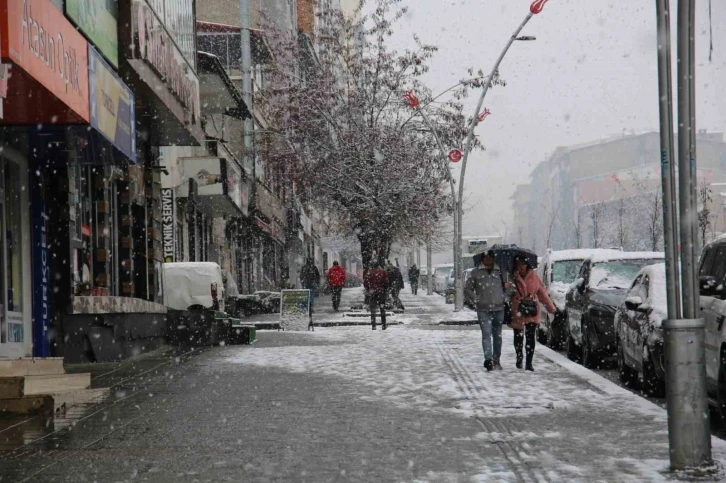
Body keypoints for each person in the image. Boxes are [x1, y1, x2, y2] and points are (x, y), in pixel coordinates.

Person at [464, 248, 512, 371]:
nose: (488, 259)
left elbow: (511, 289)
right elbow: (467, 289)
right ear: (482, 258)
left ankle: (497, 359)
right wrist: (476, 300)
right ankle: (488, 359)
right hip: (483, 309)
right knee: (486, 334)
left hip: (499, 309)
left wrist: (504, 296)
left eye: (490, 257)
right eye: (485, 257)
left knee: (497, 336)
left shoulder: (501, 271)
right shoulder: (476, 272)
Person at [511, 255, 557, 372]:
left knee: (530, 337)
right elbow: (507, 293)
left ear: (527, 265)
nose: (521, 267)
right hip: (518, 310)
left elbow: (542, 294)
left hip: (532, 310)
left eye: (523, 264)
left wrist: (552, 309)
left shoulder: (534, 277)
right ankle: (519, 356)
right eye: (519, 264)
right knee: (518, 336)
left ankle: (529, 363)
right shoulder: (512, 277)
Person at [364, 260, 389, 330]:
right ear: (379, 265)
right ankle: (383, 324)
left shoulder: (370, 273)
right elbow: (386, 282)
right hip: (381, 293)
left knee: (373, 309)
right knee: (382, 308)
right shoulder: (383, 272)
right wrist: (384, 289)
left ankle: (373, 325)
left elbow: (366, 282)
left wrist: (369, 289)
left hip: (373, 293)